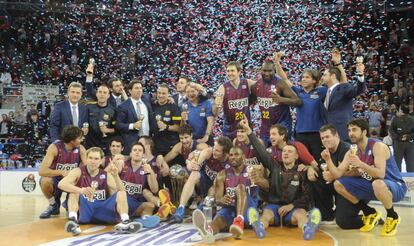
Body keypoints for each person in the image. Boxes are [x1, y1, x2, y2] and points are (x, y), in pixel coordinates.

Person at [240, 117, 321, 241]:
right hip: (274, 206)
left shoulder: (301, 171)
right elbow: (261, 151)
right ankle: (259, 226)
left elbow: (307, 196)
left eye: (289, 151)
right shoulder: (275, 166)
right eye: (284, 151)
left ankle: (308, 228)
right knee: (266, 214)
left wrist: (291, 205)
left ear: (296, 156)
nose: (285, 153)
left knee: (301, 214)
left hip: (293, 208)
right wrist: (249, 131)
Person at [329, 119, 407, 236]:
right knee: (338, 183)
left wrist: (360, 164)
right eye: (349, 130)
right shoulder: (352, 150)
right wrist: (328, 160)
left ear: (364, 132)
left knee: (378, 183)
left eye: (354, 130)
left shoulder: (378, 146)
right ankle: (369, 212)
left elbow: (380, 174)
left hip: (394, 186)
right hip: (374, 186)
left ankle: (392, 216)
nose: (350, 133)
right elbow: (338, 173)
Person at [58, 147, 141, 235]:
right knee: (73, 192)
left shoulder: (106, 175)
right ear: (86, 159)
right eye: (90, 158)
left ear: (101, 161)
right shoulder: (78, 171)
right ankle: (73, 221)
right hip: (86, 209)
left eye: (96, 158)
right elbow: (61, 184)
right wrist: (81, 190)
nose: (93, 161)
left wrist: (116, 176)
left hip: (102, 210)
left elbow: (122, 191)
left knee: (121, 193)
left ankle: (125, 221)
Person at [192, 146, 260, 243]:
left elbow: (266, 185)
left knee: (240, 188)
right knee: (218, 221)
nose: (233, 157)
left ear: (243, 157)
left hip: (249, 210)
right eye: (231, 155)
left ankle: (239, 220)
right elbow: (218, 200)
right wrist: (222, 200)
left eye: (236, 154)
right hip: (230, 208)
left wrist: (259, 180)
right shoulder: (222, 175)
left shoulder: (252, 171)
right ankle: (208, 231)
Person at [311, 124, 365, 227]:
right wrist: (310, 168)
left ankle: (371, 217)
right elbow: (320, 168)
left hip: (351, 187)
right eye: (322, 138)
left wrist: (334, 175)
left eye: (327, 137)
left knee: (343, 221)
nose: (325, 140)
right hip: (337, 185)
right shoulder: (324, 152)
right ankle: (327, 216)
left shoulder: (348, 150)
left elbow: (358, 173)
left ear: (337, 136)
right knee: (316, 181)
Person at [172, 136, 232, 223]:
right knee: (194, 174)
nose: (214, 151)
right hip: (204, 182)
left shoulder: (230, 162)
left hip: (218, 189)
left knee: (215, 185)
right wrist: (189, 163)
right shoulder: (208, 152)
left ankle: (203, 206)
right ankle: (181, 208)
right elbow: (192, 162)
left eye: (217, 150)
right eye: (214, 148)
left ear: (225, 153)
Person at [38, 126, 87, 219]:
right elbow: (42, 171)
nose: (82, 139)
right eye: (80, 138)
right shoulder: (54, 147)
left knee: (74, 211)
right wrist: (61, 172)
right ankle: (53, 205)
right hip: (56, 179)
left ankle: (69, 202)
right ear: (72, 141)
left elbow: (87, 169)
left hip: (71, 182)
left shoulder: (81, 149)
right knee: (45, 181)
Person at [252, 57, 302, 144]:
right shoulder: (256, 85)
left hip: (281, 125)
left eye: (269, 71)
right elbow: (250, 101)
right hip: (265, 127)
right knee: (265, 153)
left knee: (281, 152)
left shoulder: (280, 83)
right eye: (264, 70)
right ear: (260, 71)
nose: (266, 73)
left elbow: (298, 101)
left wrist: (281, 99)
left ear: (274, 71)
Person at [119, 142, 161, 228]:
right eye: (135, 150)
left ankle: (144, 219)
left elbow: (154, 189)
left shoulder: (147, 168)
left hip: (135, 203)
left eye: (140, 150)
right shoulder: (122, 164)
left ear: (143, 155)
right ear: (130, 153)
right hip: (121, 202)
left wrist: (150, 173)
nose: (137, 152)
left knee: (150, 205)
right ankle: (125, 219)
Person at [321, 62, 367, 141]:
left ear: (333, 76)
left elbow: (359, 90)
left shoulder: (343, 88)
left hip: (343, 133)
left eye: (325, 75)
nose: (322, 77)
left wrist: (360, 74)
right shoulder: (325, 92)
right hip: (330, 135)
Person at [212, 61, 256, 139]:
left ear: (239, 72)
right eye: (228, 71)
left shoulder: (247, 83)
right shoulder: (223, 88)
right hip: (230, 130)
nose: (229, 73)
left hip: (245, 128)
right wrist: (216, 106)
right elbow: (215, 113)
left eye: (232, 71)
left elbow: (261, 86)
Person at [116, 80, 155, 154]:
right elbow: (118, 125)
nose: (139, 90)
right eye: (136, 88)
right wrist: (132, 126)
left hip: (147, 141)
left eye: (140, 88)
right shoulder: (123, 106)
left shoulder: (146, 102)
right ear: (130, 91)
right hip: (131, 142)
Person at [84, 84, 117, 155]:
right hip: (89, 145)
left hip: (105, 145)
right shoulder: (88, 107)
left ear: (108, 96)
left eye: (105, 93)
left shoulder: (113, 110)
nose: (102, 94)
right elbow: (82, 123)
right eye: (100, 92)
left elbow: (117, 129)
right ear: (96, 94)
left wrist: (108, 130)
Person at [152, 84, 181, 155]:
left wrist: (166, 127)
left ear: (168, 94)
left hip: (170, 145)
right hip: (155, 146)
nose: (161, 95)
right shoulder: (152, 105)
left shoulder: (174, 107)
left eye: (164, 93)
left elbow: (178, 128)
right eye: (159, 93)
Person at [389, 104, 414, 172]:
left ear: (401, 110)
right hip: (410, 143)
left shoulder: (396, 119)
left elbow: (391, 130)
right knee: (410, 163)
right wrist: (408, 137)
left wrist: (398, 137)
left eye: (399, 109)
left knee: (397, 162)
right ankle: (411, 180)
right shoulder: (412, 119)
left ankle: (398, 180)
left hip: (399, 143)